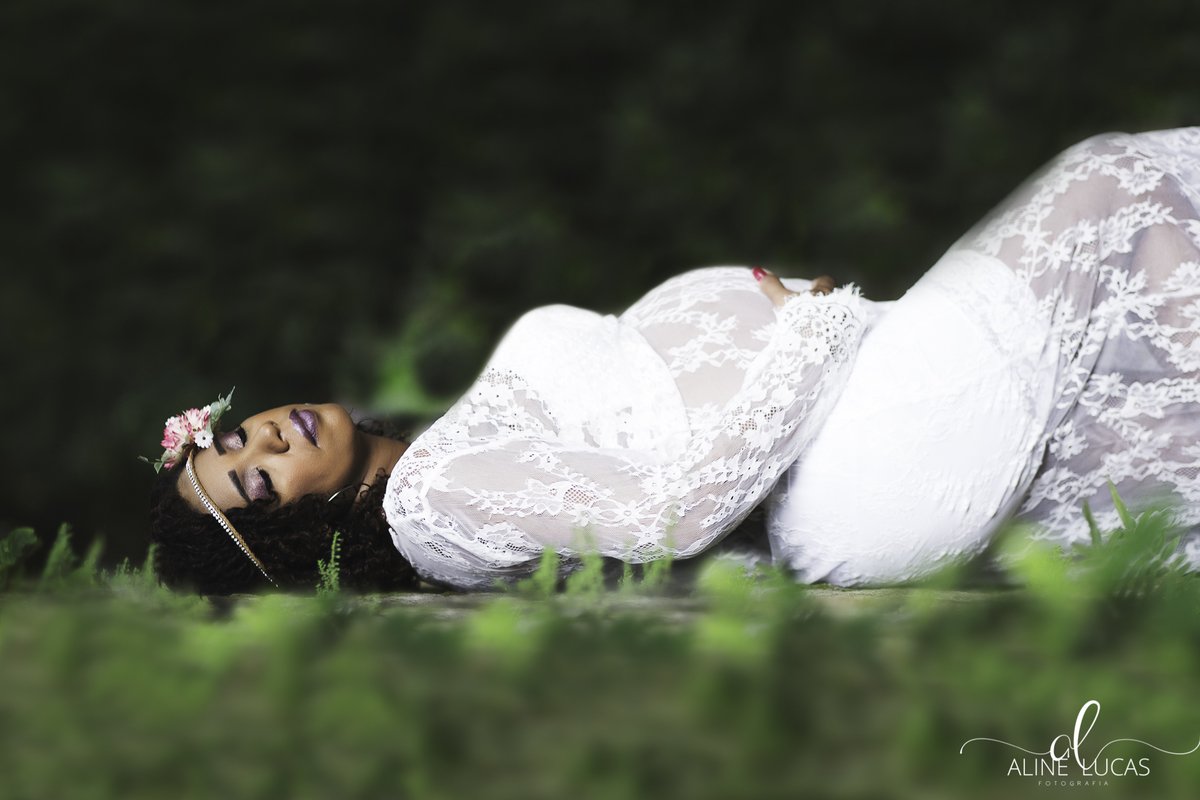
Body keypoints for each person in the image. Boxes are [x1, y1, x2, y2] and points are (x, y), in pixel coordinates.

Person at [148, 127, 1200, 593]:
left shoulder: (443, 467)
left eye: (238, 435)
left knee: (1131, 398)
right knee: (1111, 183)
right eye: (256, 479)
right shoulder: (433, 498)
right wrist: (809, 330)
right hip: (858, 454)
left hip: (862, 449)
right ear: (298, 532)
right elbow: (674, 514)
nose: (267, 438)